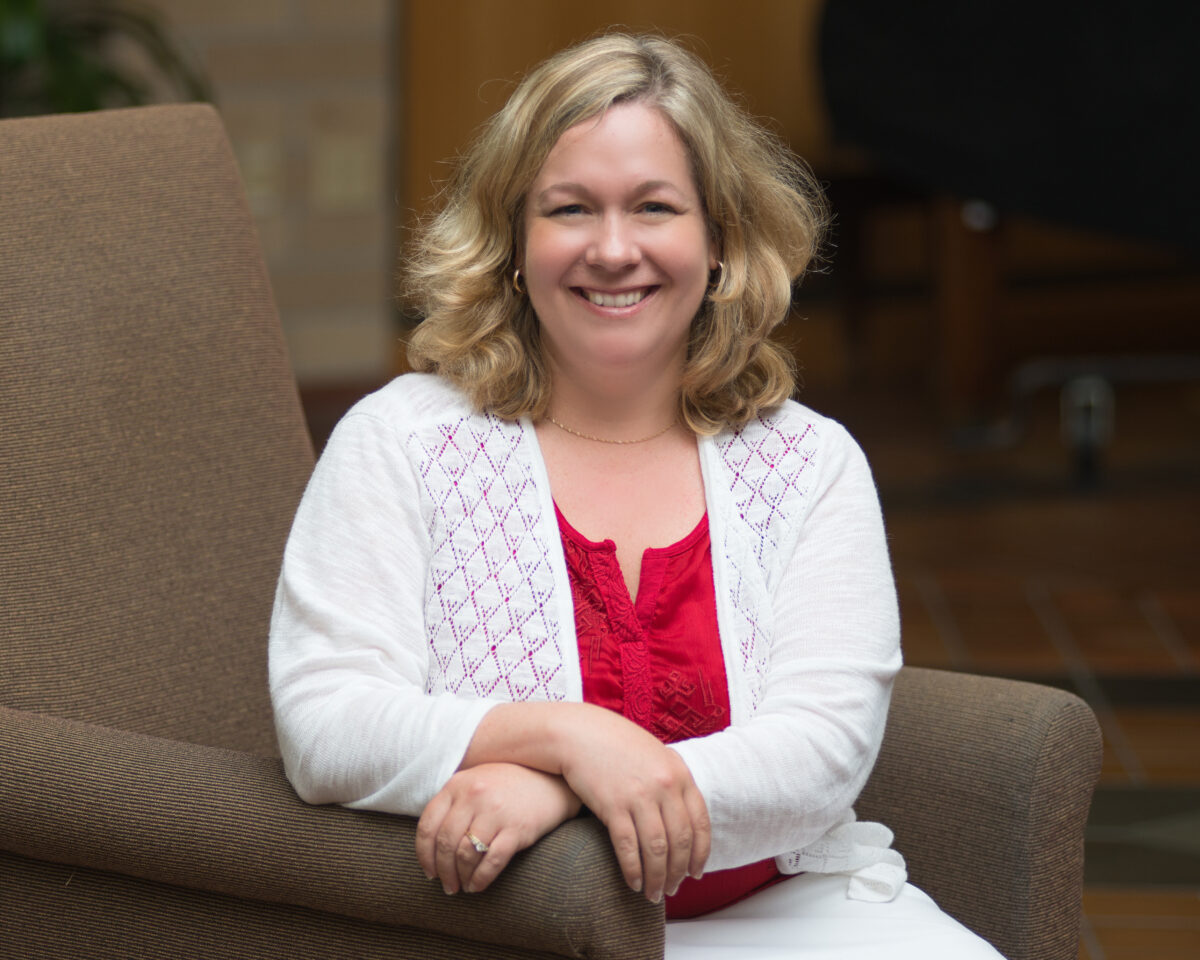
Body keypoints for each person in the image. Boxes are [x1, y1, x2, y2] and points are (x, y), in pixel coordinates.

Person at [269, 32, 1005, 959]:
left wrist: (561, 787)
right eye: (570, 209)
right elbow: (326, 721)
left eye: (654, 207)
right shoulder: (404, 441)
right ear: (511, 243)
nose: (613, 250)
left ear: (721, 243)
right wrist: (568, 736)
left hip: (781, 913)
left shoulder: (809, 464)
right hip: (510, 927)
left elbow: (820, 755)